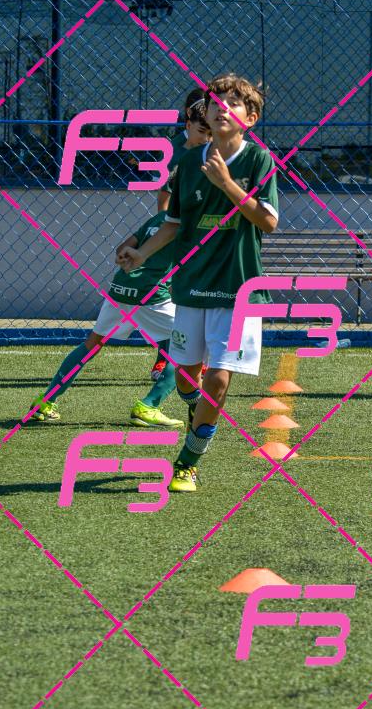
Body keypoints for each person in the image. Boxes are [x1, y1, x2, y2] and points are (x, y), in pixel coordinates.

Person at [117, 73, 279, 492]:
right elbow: (174, 223)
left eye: (233, 103)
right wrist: (142, 254)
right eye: (215, 102)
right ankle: (199, 414)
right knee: (187, 378)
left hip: (237, 290)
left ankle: (187, 463)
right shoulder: (189, 163)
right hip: (191, 287)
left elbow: (268, 221)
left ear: (251, 118)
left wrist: (226, 184)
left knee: (218, 379)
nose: (222, 108)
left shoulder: (258, 160)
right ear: (203, 113)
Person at [28, 210, 184, 427]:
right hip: (150, 294)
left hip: (121, 286)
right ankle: (149, 406)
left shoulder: (160, 218)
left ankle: (45, 401)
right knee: (186, 350)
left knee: (92, 344)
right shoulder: (191, 219)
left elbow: (122, 250)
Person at [150, 90, 210, 382]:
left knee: (205, 296)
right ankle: (165, 358)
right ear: (189, 117)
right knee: (172, 298)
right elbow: (164, 196)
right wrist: (169, 230)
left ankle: (202, 361)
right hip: (181, 234)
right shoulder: (177, 150)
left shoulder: (217, 147)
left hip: (207, 234)